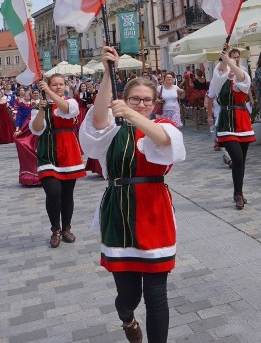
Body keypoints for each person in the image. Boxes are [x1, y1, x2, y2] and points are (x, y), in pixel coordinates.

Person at [79, 46, 184, 342]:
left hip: (154, 212)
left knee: (156, 295)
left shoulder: (163, 126)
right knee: (128, 296)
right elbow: (98, 119)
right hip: (120, 212)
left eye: (146, 100)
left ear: (155, 103)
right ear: (125, 99)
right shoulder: (112, 130)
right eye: (134, 99)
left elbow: (164, 141)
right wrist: (106, 73)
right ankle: (127, 319)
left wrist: (132, 115)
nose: (140, 104)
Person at [31, 74, 86, 247]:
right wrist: (41, 110)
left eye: (61, 84)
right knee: (53, 193)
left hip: (68, 150)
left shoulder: (71, 102)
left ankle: (66, 228)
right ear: (48, 85)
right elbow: (36, 129)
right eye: (54, 85)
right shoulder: (41, 106)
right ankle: (55, 229)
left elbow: (66, 110)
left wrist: (49, 93)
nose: (58, 87)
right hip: (47, 151)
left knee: (67, 194)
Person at [206, 48, 255, 210]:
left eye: (236, 61)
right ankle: (238, 194)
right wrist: (224, 60)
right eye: (230, 61)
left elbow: (243, 79)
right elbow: (219, 72)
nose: (233, 64)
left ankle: (238, 192)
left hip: (242, 122)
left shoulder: (243, 77)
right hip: (227, 123)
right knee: (238, 159)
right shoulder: (219, 80)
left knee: (241, 162)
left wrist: (230, 62)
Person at [14, 89, 42, 187]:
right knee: (24, 143)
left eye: (37, 93)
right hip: (30, 129)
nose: (35, 94)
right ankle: (32, 173)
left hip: (43, 129)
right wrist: (19, 130)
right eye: (34, 93)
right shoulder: (30, 105)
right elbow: (25, 118)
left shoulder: (43, 103)